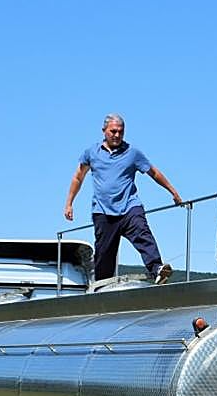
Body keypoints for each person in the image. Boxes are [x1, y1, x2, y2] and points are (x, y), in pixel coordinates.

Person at [64, 113, 183, 283]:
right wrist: (69, 203)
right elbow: (78, 177)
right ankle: (101, 286)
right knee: (104, 255)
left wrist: (173, 192)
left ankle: (156, 268)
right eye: (113, 131)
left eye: (121, 132)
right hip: (103, 211)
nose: (117, 135)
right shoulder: (91, 153)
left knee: (143, 233)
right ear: (104, 131)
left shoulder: (132, 153)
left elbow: (154, 172)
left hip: (129, 207)